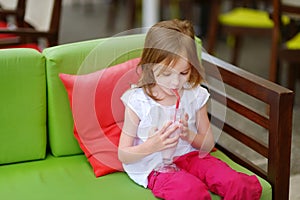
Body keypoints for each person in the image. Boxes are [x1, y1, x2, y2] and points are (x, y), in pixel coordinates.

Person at [118, 19, 262, 200]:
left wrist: (188, 135)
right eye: (166, 74)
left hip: (191, 156)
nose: (175, 82)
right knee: (190, 192)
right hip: (155, 166)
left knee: (235, 183)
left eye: (183, 73)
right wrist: (153, 145)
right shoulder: (138, 101)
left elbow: (208, 145)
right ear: (149, 66)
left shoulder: (194, 95)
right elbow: (123, 154)